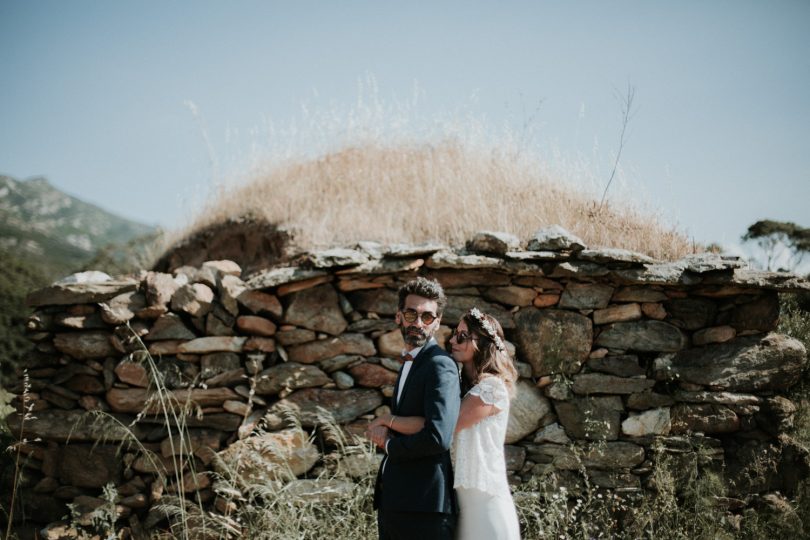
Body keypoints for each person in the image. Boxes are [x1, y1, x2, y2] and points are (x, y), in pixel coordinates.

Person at [370, 307, 520, 540]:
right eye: (454, 334)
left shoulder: (491, 388)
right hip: (459, 503)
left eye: (462, 336)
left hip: (485, 504)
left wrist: (387, 421)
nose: (452, 340)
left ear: (481, 342)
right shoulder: (462, 389)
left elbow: (440, 426)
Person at [367, 277, 461, 540]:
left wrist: (389, 445)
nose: (418, 323)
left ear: (438, 322)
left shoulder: (439, 365)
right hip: (398, 505)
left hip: (424, 510)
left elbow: (438, 436)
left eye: (427, 317)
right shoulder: (410, 362)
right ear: (399, 317)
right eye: (411, 314)